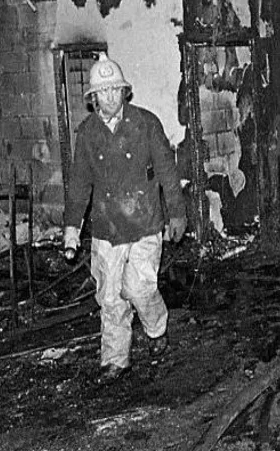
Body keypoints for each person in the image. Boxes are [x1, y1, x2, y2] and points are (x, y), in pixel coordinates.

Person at [62, 53, 187, 384]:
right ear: (93, 98)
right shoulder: (87, 134)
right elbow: (79, 184)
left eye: (116, 90)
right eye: (104, 92)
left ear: (124, 91)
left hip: (145, 223)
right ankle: (115, 360)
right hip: (106, 230)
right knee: (111, 298)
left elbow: (167, 172)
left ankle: (156, 329)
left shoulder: (146, 124)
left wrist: (177, 212)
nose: (110, 97)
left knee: (138, 288)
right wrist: (72, 227)